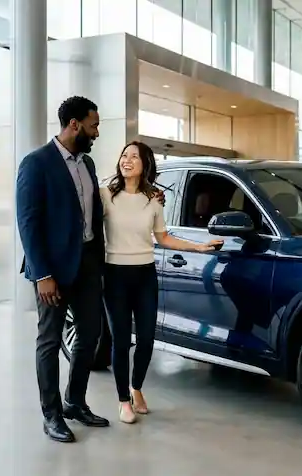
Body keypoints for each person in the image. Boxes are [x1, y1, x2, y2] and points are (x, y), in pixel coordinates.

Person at [100, 141, 223, 424]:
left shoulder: (154, 199)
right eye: (124, 155)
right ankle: (123, 401)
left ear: (145, 165)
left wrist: (200, 247)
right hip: (115, 274)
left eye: (134, 157)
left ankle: (137, 388)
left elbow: (163, 237)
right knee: (120, 340)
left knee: (146, 339)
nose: (127, 160)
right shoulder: (105, 195)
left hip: (145, 274)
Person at [15, 96, 110, 443]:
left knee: (90, 335)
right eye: (93, 125)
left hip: (86, 263)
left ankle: (75, 401)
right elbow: (28, 223)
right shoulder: (36, 163)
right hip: (51, 269)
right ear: (74, 124)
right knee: (50, 340)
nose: (96, 132)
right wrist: (42, 274)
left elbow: (94, 213)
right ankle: (51, 415)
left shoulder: (88, 165)